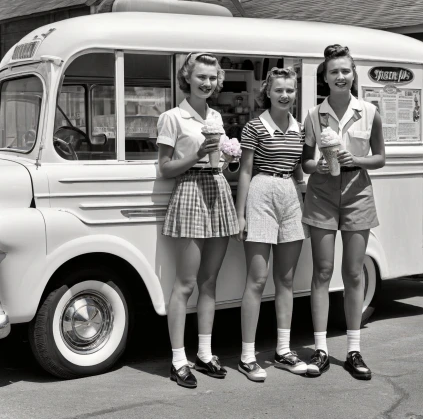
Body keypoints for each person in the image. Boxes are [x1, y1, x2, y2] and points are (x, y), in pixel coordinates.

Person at [301, 44, 385, 380]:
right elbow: (304, 162)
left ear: (354, 75)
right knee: (322, 271)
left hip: (357, 193)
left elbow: (380, 158)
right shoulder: (311, 115)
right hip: (322, 194)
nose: (340, 76)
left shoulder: (370, 112)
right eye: (334, 71)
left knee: (353, 273)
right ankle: (321, 349)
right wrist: (317, 166)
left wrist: (357, 160)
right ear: (324, 76)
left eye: (345, 71)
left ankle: (353, 350)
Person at [157, 53, 239, 389]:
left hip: (216, 188)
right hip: (189, 188)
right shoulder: (172, 117)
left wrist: (229, 158)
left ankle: (204, 353)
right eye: (200, 77)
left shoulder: (216, 115)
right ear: (188, 78)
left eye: (212, 78)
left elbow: (219, 164)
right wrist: (199, 153)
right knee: (185, 283)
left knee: (209, 281)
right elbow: (165, 168)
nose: (206, 83)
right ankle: (178, 360)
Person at [235, 67, 309, 382]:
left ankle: (282, 350)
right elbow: (245, 171)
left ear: (295, 92)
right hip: (261, 194)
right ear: (268, 91)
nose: (284, 95)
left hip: (290, 197)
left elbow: (298, 170)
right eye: (278, 90)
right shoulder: (254, 126)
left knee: (286, 279)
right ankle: (247, 355)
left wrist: (305, 197)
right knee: (257, 278)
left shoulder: (300, 129)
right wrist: (240, 214)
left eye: (290, 90)